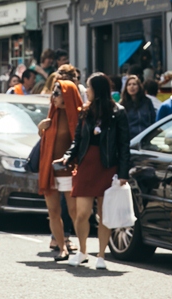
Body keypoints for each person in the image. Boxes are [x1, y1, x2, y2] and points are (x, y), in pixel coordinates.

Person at [62, 74, 130, 269]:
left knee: (104, 213)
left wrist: (123, 172)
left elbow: (124, 144)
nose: (86, 91)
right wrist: (68, 155)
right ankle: (82, 251)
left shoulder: (118, 112)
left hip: (107, 165)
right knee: (82, 213)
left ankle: (101, 255)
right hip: (86, 165)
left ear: (97, 89)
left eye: (89, 87)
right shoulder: (85, 110)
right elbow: (77, 140)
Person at [38, 78, 83, 261]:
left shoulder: (79, 116)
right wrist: (40, 129)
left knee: (74, 212)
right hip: (50, 171)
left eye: (57, 93)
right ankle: (62, 248)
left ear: (67, 95)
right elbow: (45, 143)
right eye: (53, 93)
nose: (53, 97)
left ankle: (83, 249)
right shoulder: (52, 115)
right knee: (53, 212)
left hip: (68, 170)